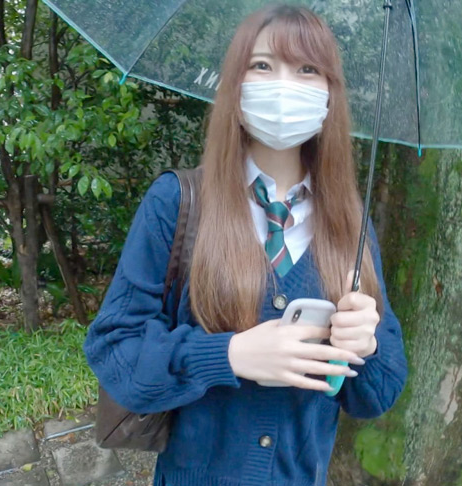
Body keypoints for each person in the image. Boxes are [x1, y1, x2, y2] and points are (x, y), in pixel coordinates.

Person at [84, 4, 407, 485]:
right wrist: (229, 355)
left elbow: (378, 395)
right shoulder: (176, 202)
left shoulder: (349, 223)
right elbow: (116, 351)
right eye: (262, 65)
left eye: (307, 69)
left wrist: (366, 344)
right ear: (235, 84)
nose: (284, 85)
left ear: (329, 93)